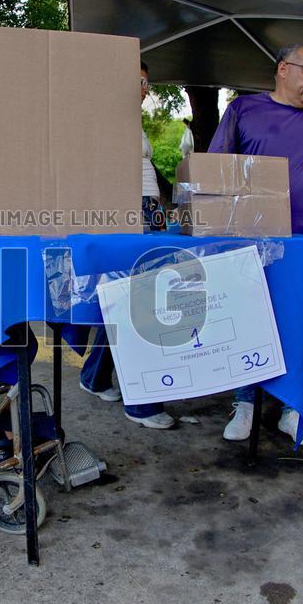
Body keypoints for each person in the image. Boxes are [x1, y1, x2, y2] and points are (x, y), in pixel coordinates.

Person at [208, 43, 303, 447]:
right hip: (252, 243)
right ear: (282, 69)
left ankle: (294, 409)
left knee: (301, 323)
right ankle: (245, 403)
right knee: (250, 321)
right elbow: (216, 166)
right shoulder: (244, 109)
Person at [78, 62, 176, 429]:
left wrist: (158, 214)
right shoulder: (105, 120)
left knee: (125, 298)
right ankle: (144, 402)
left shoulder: (131, 122)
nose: (145, 89)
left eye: (148, 82)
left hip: (147, 211)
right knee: (141, 302)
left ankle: (95, 376)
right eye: (138, 81)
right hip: (128, 212)